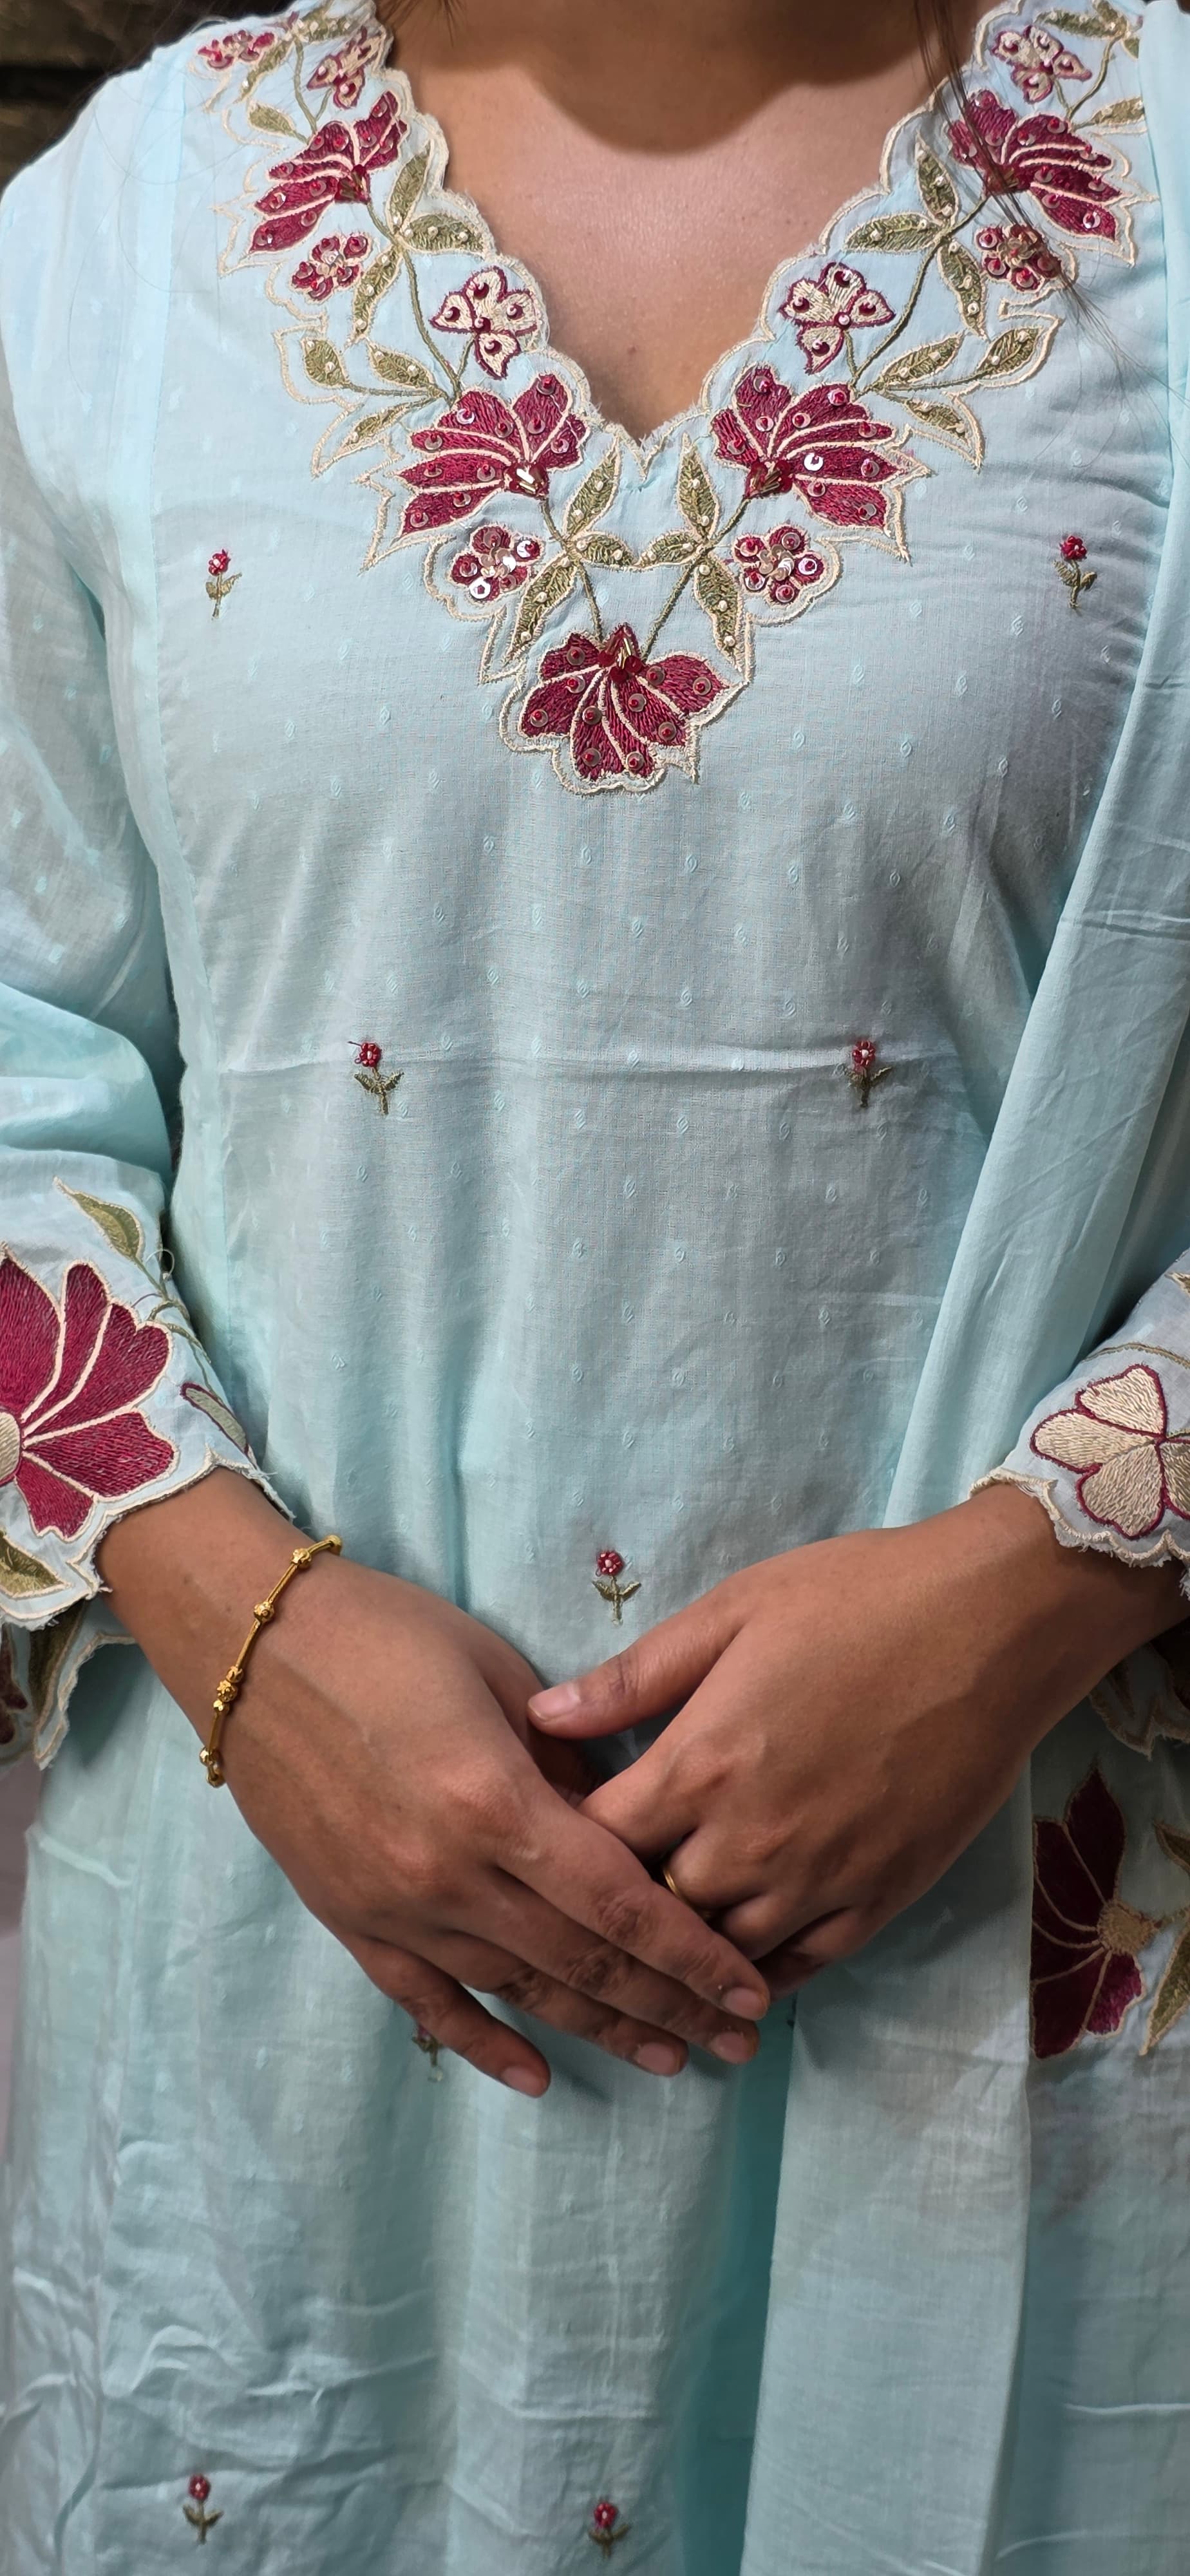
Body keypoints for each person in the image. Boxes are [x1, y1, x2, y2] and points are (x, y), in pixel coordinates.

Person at [1, 0, 1189, 2565]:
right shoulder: (114, 245)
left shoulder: (1168, 184)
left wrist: (1050, 1570)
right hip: (279, 1971)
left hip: (1012, 1949)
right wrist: (244, 1629)